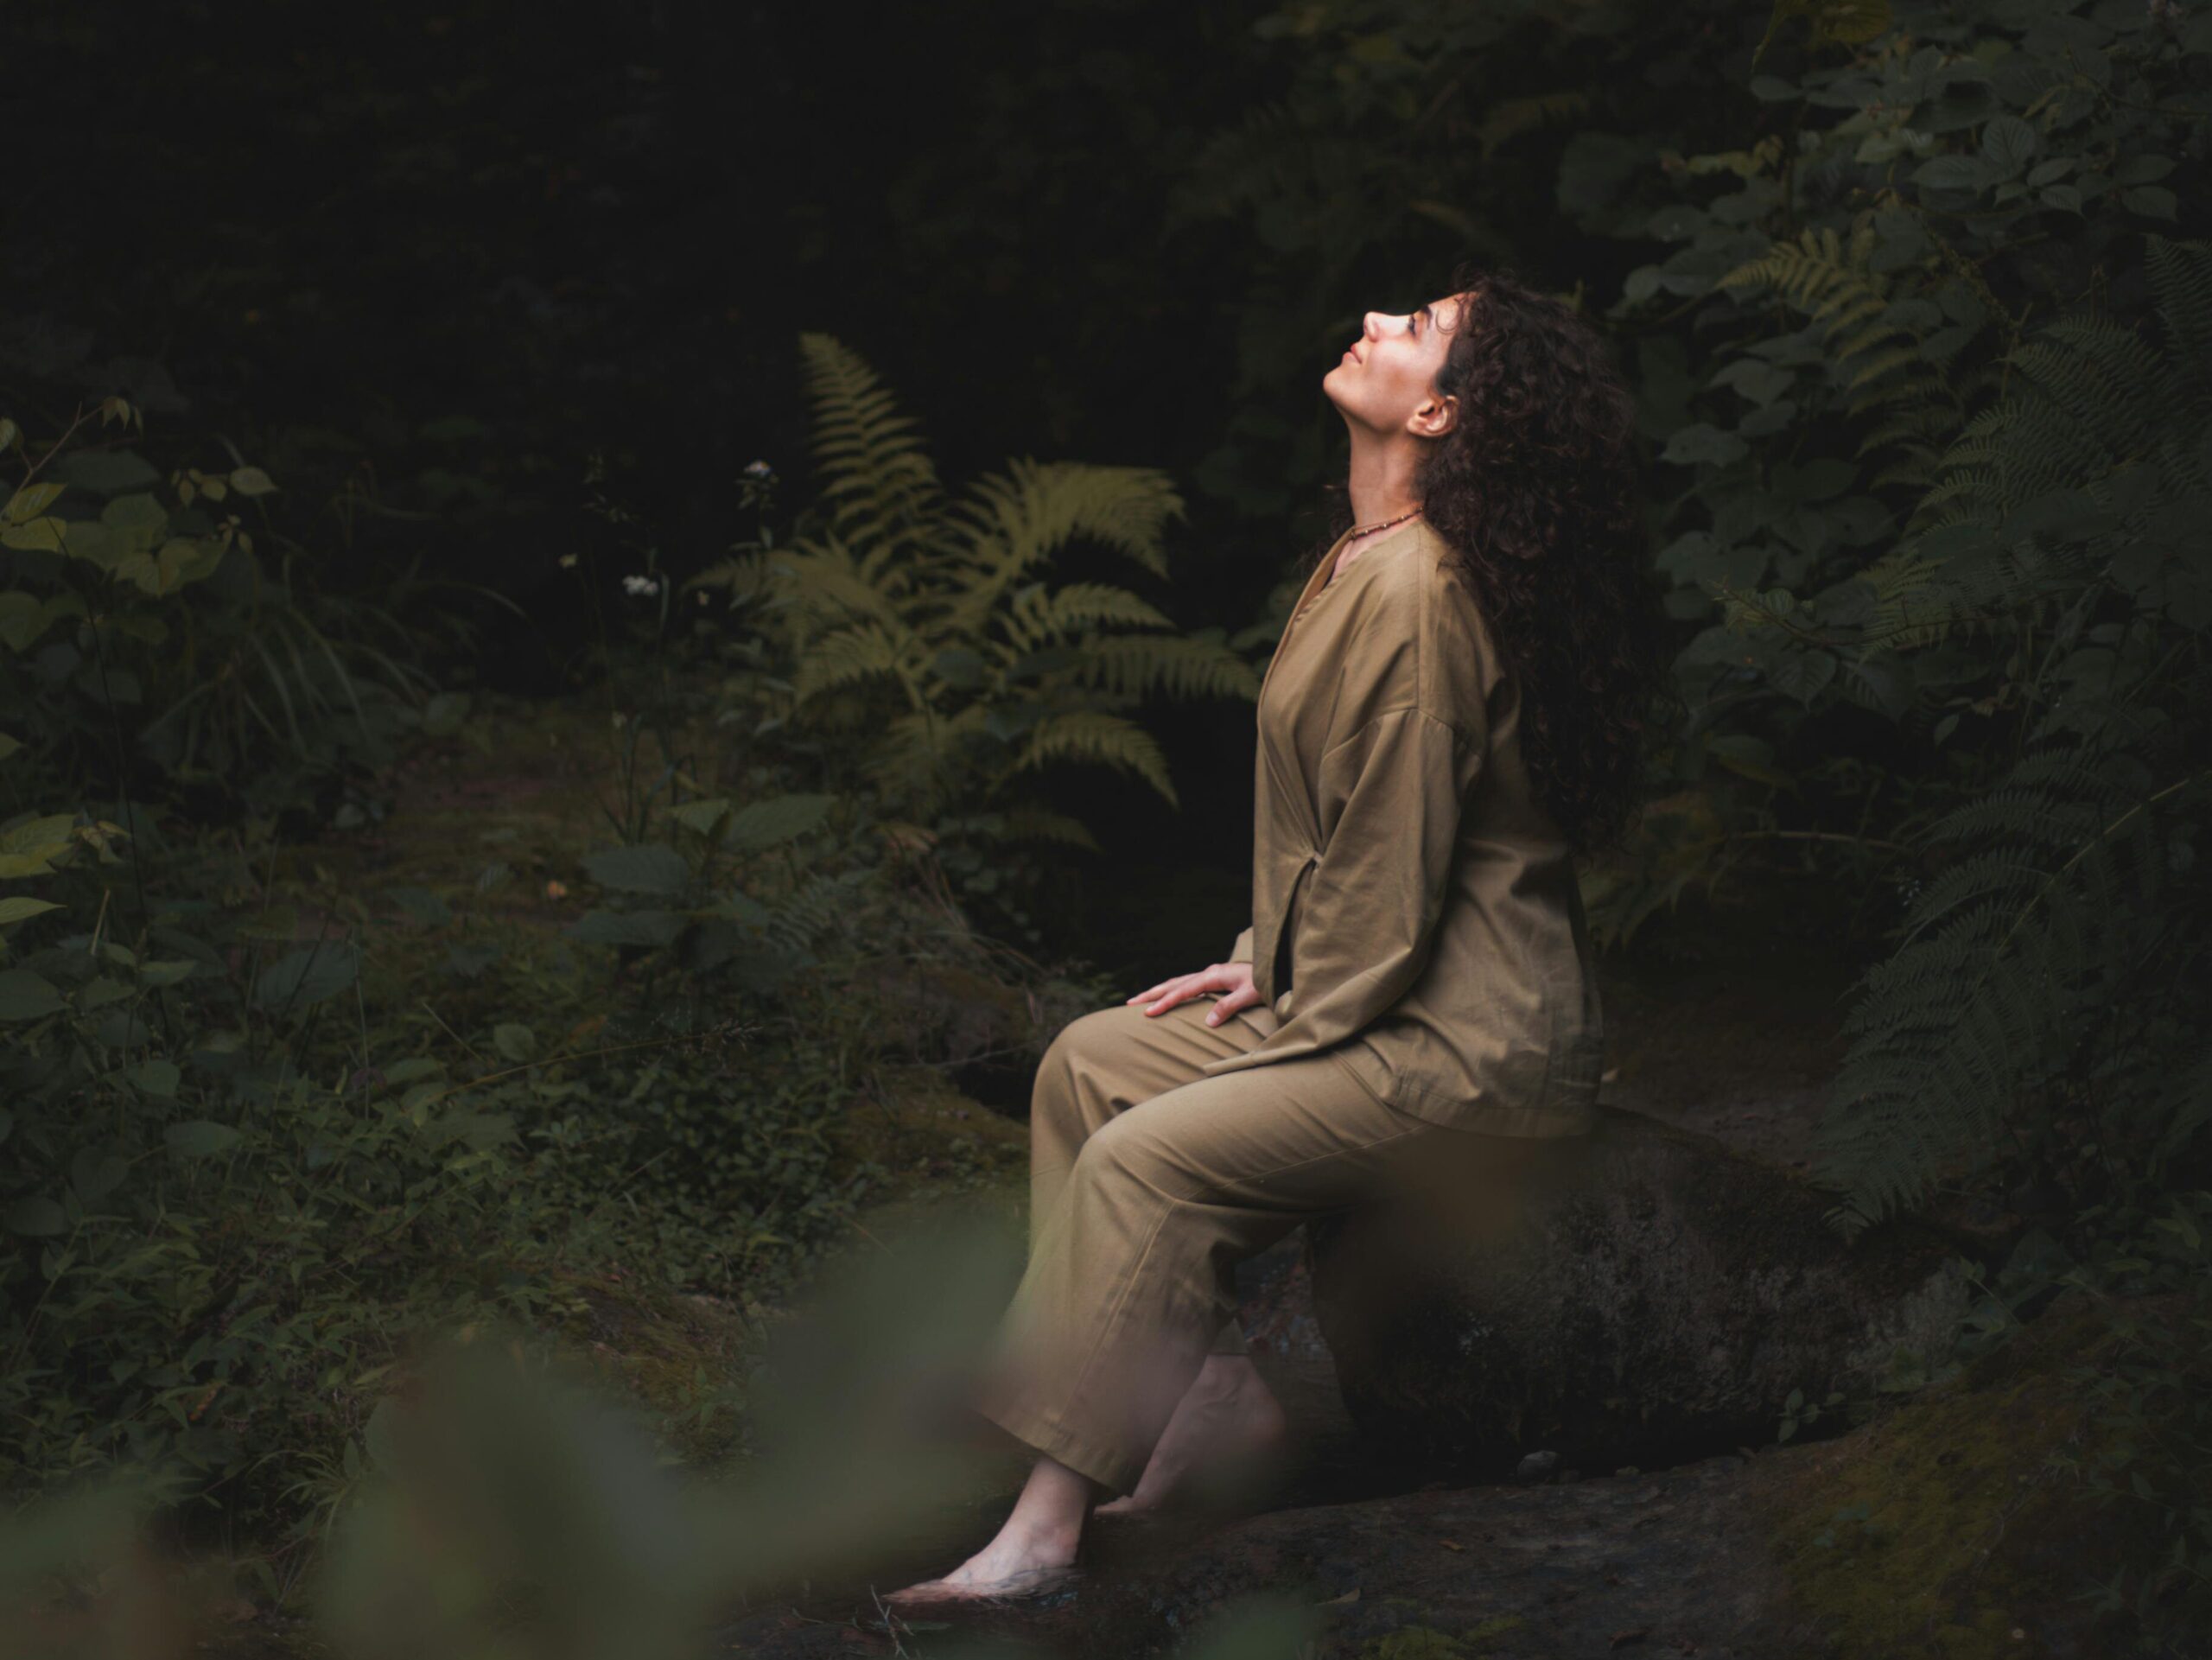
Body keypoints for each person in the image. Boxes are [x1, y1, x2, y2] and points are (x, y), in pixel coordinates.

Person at [885, 261, 1669, 1610]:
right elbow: (1357, 834)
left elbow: (1388, 883)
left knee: (1147, 1159)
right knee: (1091, 1062)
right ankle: (1214, 1395)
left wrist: (1287, 1004)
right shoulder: (1363, 556)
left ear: (1438, 418)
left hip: (1471, 1045)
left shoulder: (1419, 593)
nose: (1376, 320)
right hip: (1390, 995)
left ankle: (1043, 1531)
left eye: (1417, 330)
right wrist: (1262, 953)